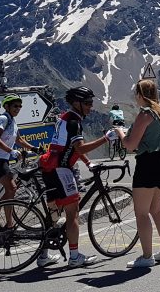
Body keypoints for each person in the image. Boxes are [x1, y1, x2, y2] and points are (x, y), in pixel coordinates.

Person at [38, 86, 113, 267]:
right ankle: (74, 257)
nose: (90, 107)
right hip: (61, 169)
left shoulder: (65, 118)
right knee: (72, 214)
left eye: (91, 103)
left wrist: (88, 163)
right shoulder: (74, 122)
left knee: (54, 214)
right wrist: (105, 139)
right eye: (87, 103)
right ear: (77, 103)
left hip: (50, 166)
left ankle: (43, 255)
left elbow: (69, 147)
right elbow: (79, 148)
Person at [114, 79, 160, 268]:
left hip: (148, 163)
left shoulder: (145, 114)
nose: (135, 97)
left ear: (141, 95)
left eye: (136, 94)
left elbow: (131, 145)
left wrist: (120, 133)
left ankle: (147, 256)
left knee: (141, 213)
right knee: (156, 209)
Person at [0, 94, 37, 233]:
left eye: (20, 106)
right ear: (7, 106)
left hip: (3, 160)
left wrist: (34, 148)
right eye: (15, 106)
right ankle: (10, 225)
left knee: (1, 193)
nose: (18, 108)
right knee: (11, 189)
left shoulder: (12, 121)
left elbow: (19, 140)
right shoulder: (3, 119)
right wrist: (11, 151)